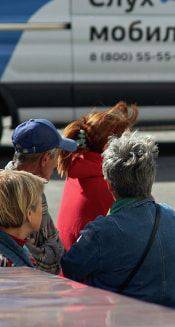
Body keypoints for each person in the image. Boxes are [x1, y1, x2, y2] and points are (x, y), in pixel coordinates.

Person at [61, 131, 175, 310]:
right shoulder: (169, 216)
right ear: (152, 179)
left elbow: (68, 268)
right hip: (173, 326)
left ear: (109, 184)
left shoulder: (101, 232)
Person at [0, 118, 75, 274]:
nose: (57, 162)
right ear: (45, 159)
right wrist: (53, 248)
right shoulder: (23, 197)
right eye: (57, 155)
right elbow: (49, 261)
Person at [56, 101, 137, 249]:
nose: (133, 144)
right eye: (127, 139)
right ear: (108, 147)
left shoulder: (80, 166)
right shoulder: (107, 181)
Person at [0, 169, 48, 269]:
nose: (43, 211)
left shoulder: (1, 245)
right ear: (29, 214)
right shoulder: (4, 266)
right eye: (41, 205)